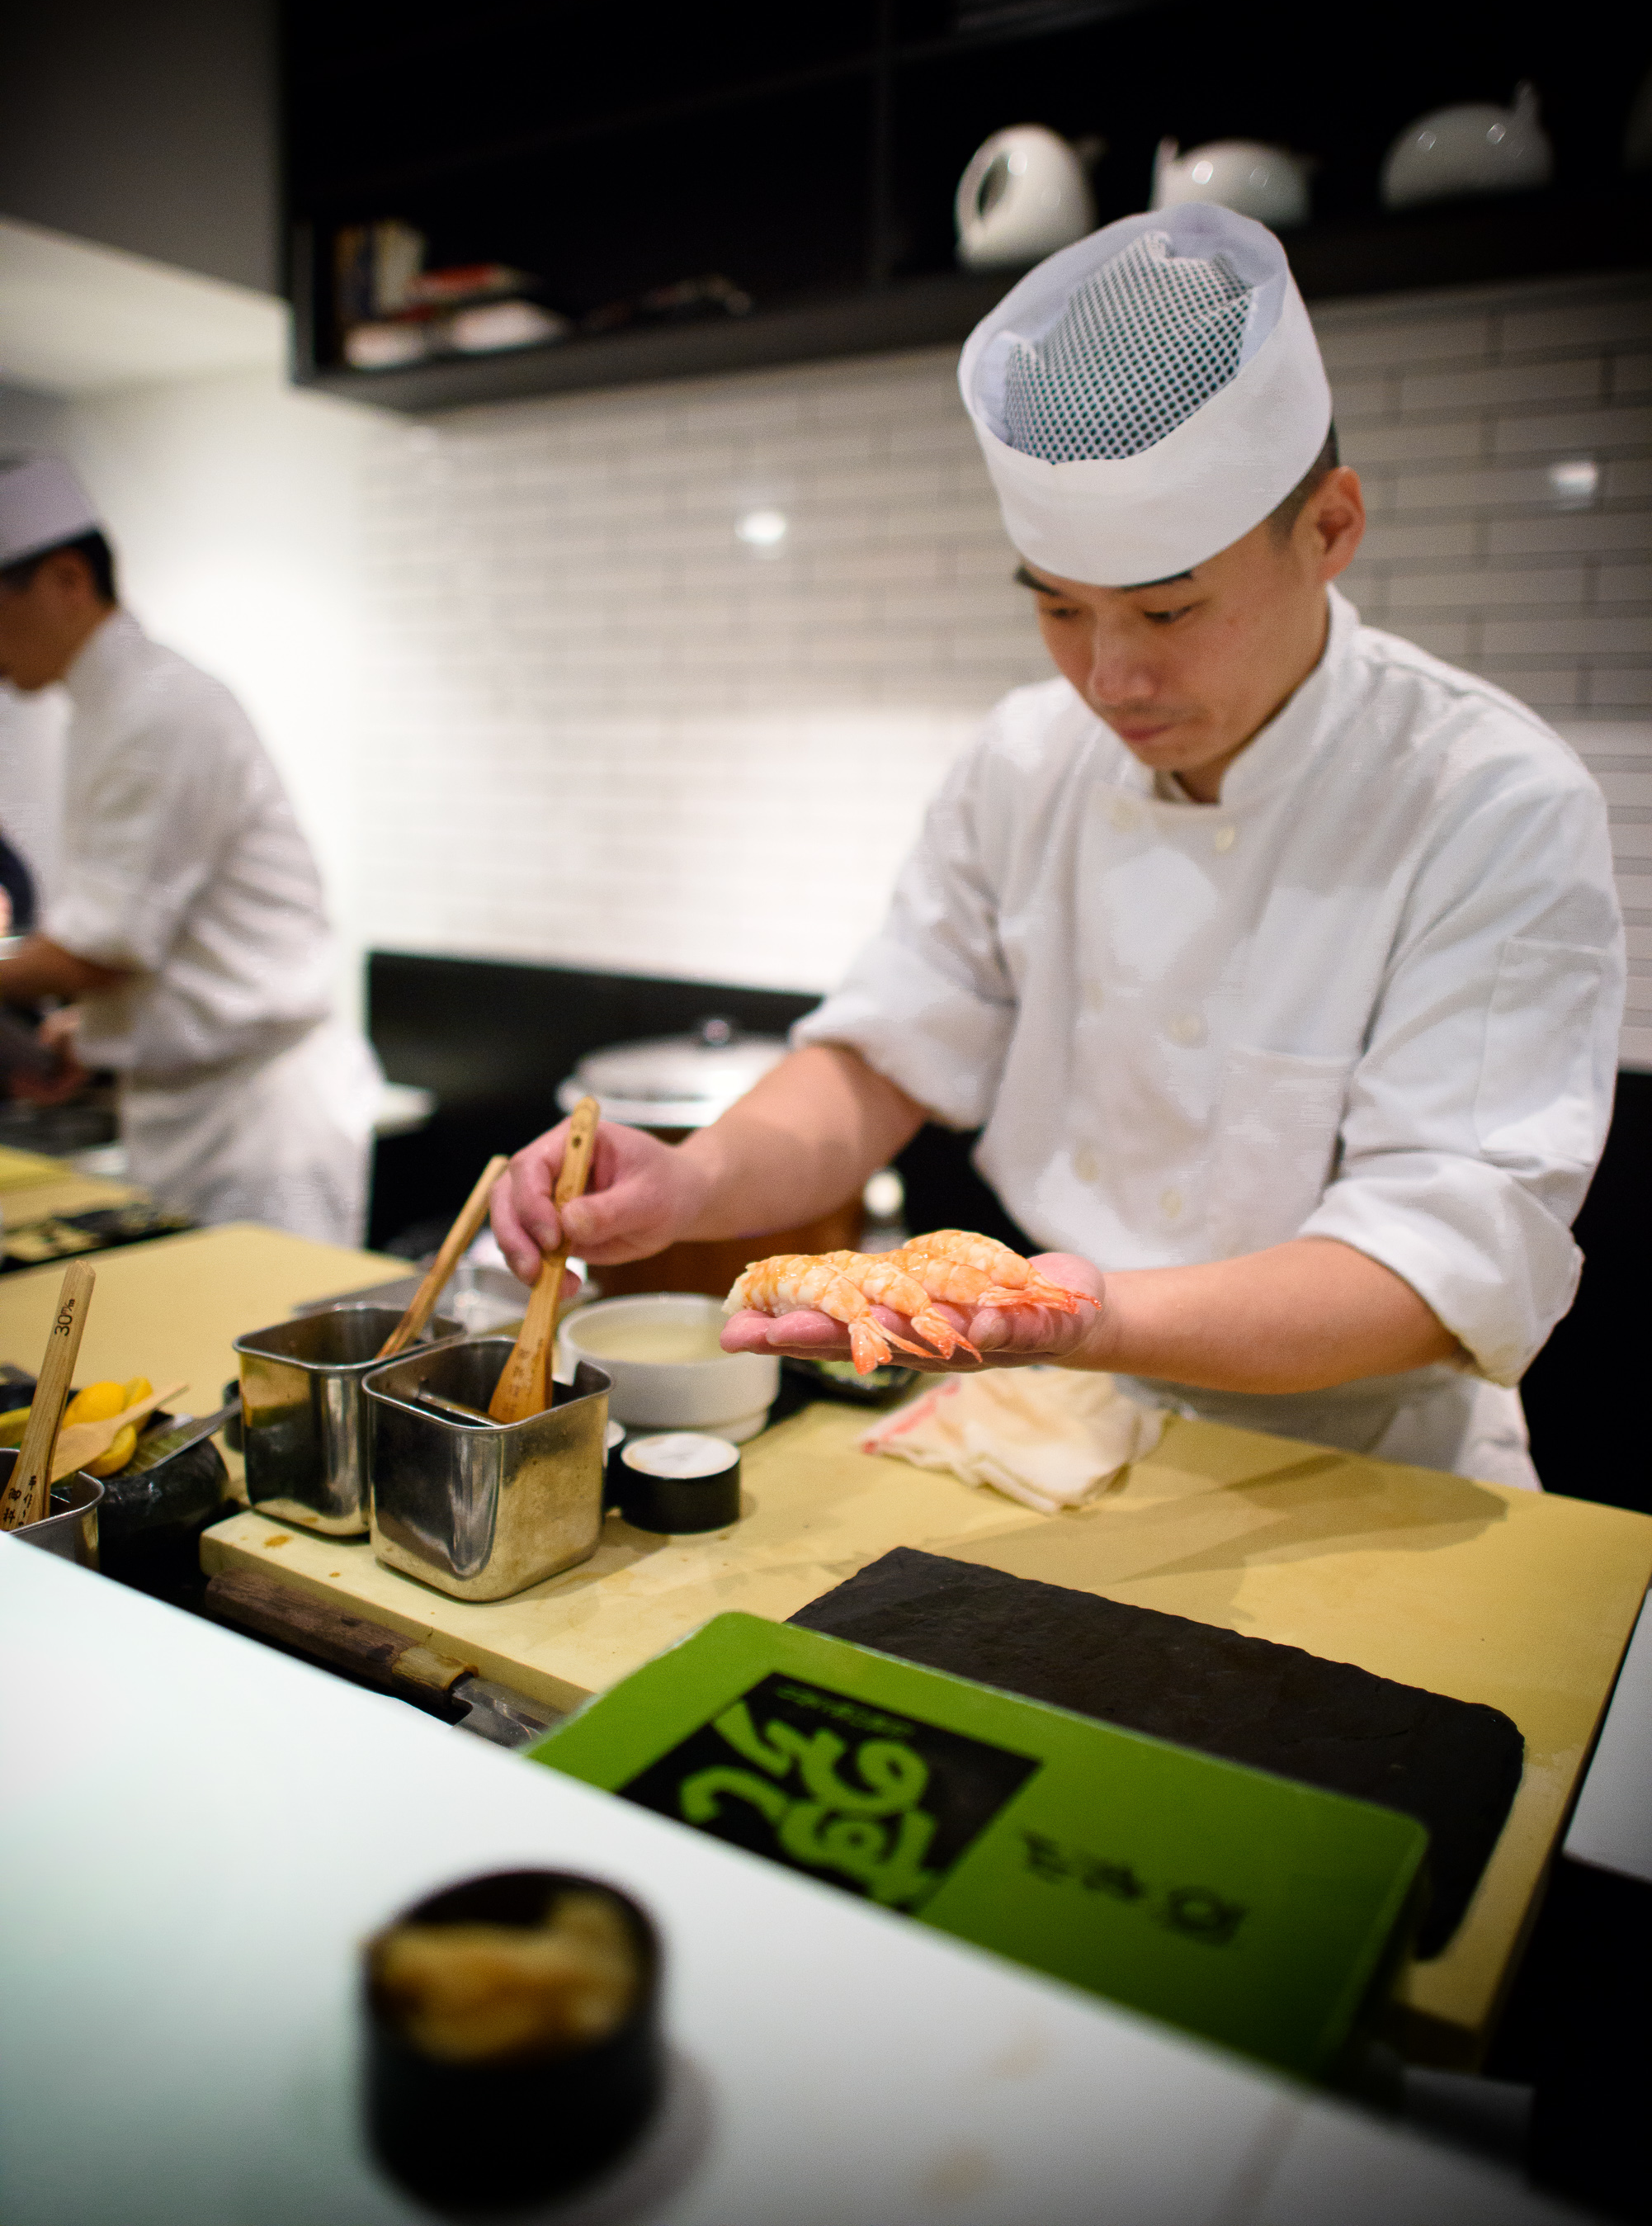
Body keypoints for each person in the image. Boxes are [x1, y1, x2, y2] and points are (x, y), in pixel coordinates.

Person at [492, 205, 1624, 1486]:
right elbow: (878, 1056)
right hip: (1059, 1432)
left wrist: (1096, 1316)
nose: (1111, 675)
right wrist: (691, 1189)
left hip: (1370, 1468)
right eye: (1059, 610)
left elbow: (1440, 1256)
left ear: (1329, 530)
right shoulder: (1023, 761)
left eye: (1167, 609)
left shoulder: (1488, 798)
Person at [0, 456, 380, 1242]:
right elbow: (141, 941)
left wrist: (83, 994)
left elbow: (96, 951)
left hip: (260, 1124)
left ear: (67, 581)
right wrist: (96, 1025)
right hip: (190, 1110)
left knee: (258, 1361)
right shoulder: (108, 712)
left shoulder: (159, 710)